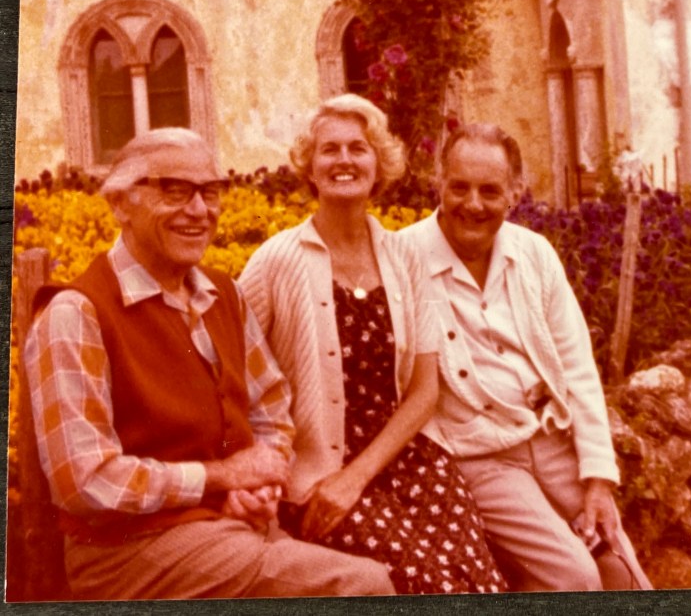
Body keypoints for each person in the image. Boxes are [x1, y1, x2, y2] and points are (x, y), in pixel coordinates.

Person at [24, 127, 395, 600]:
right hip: (128, 552)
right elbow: (85, 481)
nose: (199, 210)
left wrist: (258, 480)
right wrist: (219, 479)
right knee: (362, 586)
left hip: (229, 528)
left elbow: (271, 409)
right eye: (174, 190)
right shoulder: (77, 313)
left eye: (210, 191)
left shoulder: (224, 294)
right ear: (120, 204)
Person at [238, 95, 506, 595]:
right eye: (330, 149)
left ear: (378, 163)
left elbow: (424, 391)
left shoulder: (405, 257)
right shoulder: (275, 262)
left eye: (358, 148)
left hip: (407, 461)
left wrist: (357, 477)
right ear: (310, 167)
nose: (344, 160)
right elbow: (231, 375)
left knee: (477, 577)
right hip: (318, 477)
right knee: (423, 582)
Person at [398, 123, 653, 592]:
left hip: (550, 441)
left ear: (514, 194)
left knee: (624, 576)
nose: (473, 204)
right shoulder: (404, 258)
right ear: (439, 183)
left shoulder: (533, 253)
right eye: (460, 187)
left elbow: (577, 368)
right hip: (481, 455)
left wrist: (598, 480)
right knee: (574, 577)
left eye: (490, 190)